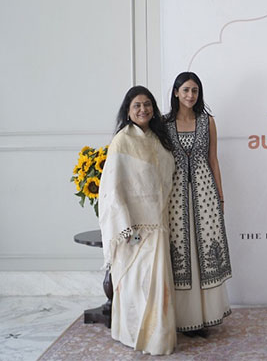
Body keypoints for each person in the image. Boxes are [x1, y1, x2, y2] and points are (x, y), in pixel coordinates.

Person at [98, 86, 177, 355]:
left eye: (147, 105)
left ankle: (158, 338)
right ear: (128, 111)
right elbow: (112, 188)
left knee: (158, 288)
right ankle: (131, 334)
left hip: (158, 223)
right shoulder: (122, 141)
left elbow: (165, 180)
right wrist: (126, 227)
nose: (143, 110)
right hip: (134, 228)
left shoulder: (157, 139)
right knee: (135, 286)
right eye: (137, 106)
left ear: (153, 108)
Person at [164, 72, 232, 335]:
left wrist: (221, 196)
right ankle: (184, 319)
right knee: (182, 251)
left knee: (205, 251)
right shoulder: (164, 123)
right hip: (176, 196)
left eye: (195, 90)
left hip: (205, 194)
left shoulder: (207, 121)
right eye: (186, 90)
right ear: (176, 92)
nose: (190, 95)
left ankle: (208, 316)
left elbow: (213, 160)